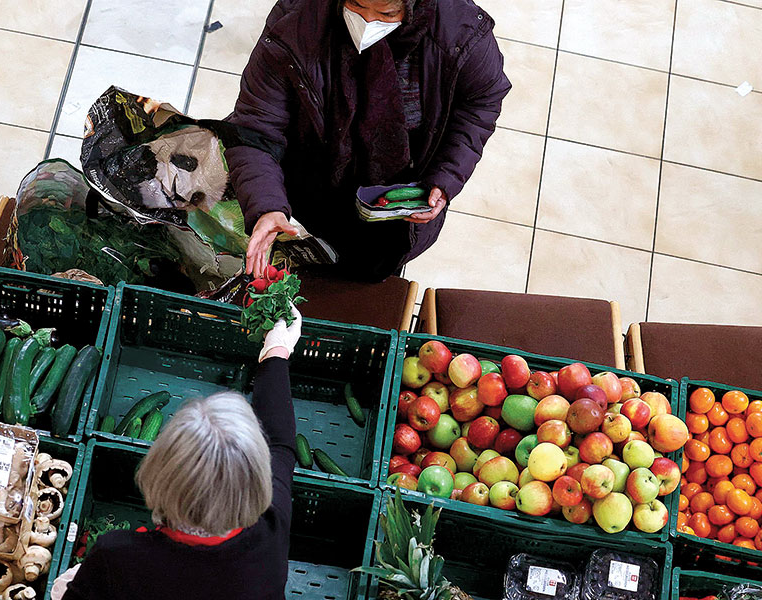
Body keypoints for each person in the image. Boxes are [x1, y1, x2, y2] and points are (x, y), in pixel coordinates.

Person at [226, 0, 511, 282]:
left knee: (365, 276)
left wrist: (447, 174)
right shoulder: (296, 23)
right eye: (357, 4)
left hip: (394, 208)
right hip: (307, 184)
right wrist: (267, 204)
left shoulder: (460, 34)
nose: (366, 21)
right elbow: (256, 126)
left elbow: (481, 102)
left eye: (386, 13)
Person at [52, 307, 303, 600]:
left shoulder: (117, 557)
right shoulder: (271, 531)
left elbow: (280, 445)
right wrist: (277, 351)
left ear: (159, 473)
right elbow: (281, 444)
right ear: (258, 483)